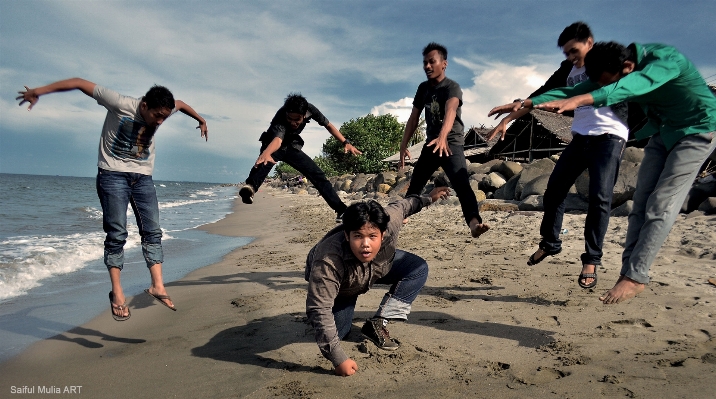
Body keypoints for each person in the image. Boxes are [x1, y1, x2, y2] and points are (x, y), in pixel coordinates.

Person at [512, 42, 716, 304]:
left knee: (661, 204)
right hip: (663, 131)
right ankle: (628, 274)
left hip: (698, 131)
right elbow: (575, 89)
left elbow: (630, 86)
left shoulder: (665, 60)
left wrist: (581, 100)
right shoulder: (620, 67)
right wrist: (528, 102)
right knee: (640, 204)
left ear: (628, 67)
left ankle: (635, 276)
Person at [17, 78, 208, 320]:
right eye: (157, 116)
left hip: (143, 178)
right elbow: (78, 83)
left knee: (153, 231)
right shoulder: (119, 103)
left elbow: (180, 103)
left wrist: (200, 120)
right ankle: (117, 292)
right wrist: (39, 92)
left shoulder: (164, 110)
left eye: (164, 117)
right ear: (144, 105)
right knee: (117, 233)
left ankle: (157, 285)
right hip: (112, 175)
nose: (160, 122)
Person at [487, 22, 632, 289]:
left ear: (589, 42)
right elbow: (541, 96)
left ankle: (591, 260)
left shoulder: (606, 61)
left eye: (574, 51)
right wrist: (507, 119)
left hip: (610, 135)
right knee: (554, 191)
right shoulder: (567, 70)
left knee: (600, 197)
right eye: (565, 53)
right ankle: (551, 243)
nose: (570, 57)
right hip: (581, 137)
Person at [305, 186, 450, 376]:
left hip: (377, 268)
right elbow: (319, 308)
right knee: (339, 333)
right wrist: (339, 360)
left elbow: (404, 205)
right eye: (358, 236)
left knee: (417, 268)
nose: (366, 244)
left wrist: (428, 198)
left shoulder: (390, 223)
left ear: (382, 234)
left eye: (372, 236)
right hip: (342, 285)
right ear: (347, 235)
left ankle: (379, 322)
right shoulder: (328, 260)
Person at [399, 42, 489, 238]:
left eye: (432, 62)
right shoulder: (423, 88)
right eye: (425, 63)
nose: (427, 66)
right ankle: (402, 214)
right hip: (432, 144)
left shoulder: (452, 87)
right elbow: (414, 118)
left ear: (444, 64)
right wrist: (403, 145)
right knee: (416, 183)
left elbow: (451, 110)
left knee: (462, 185)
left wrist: (443, 137)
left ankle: (474, 223)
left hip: (451, 144)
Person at [240, 93, 361, 222]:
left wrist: (345, 142)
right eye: (290, 119)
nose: (293, 123)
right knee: (264, 163)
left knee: (317, 174)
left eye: (297, 119)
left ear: (304, 115)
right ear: (286, 114)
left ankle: (341, 210)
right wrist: (266, 153)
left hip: (291, 146)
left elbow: (328, 125)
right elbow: (277, 140)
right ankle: (250, 188)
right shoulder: (281, 116)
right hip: (272, 144)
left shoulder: (311, 109)